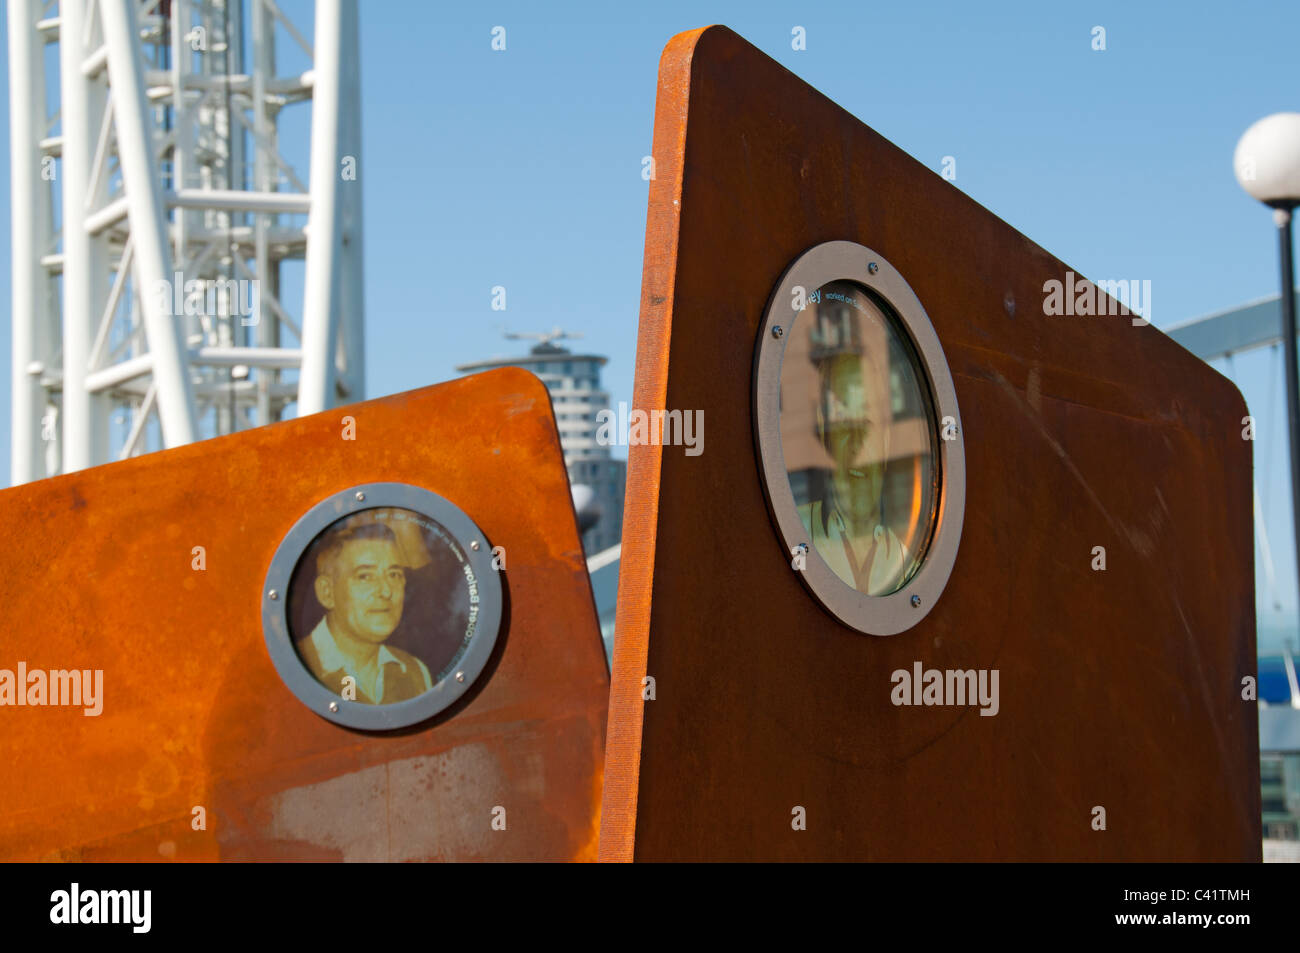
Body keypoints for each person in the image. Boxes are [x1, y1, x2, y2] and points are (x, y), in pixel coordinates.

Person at [797, 302, 911, 596]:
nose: (858, 440)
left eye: (868, 421)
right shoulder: (793, 534)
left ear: (887, 440)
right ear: (824, 430)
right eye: (844, 421)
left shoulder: (908, 566)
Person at [295, 521, 433, 705]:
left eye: (394, 575)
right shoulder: (299, 665)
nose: (385, 591)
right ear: (327, 592)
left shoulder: (415, 672)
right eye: (365, 576)